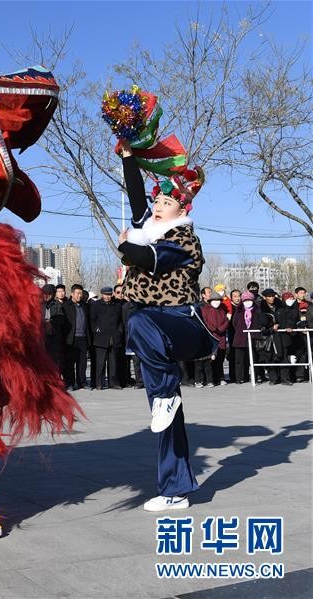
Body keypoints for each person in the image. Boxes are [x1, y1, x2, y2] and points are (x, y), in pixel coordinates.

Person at [117, 140, 216, 512]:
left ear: (181, 210)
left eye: (166, 203)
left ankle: (166, 394)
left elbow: (144, 256)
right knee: (165, 417)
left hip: (182, 325)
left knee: (140, 318)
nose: (157, 207)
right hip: (150, 336)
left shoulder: (184, 239)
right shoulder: (150, 224)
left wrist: (126, 246)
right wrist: (129, 156)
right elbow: (135, 194)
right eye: (157, 202)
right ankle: (175, 490)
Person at [89, 286, 123, 389]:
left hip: (114, 336)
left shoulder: (116, 305)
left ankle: (113, 382)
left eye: (109, 294)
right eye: (105, 294)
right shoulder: (96, 305)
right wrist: (96, 329)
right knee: (100, 362)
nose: (107, 297)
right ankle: (99, 383)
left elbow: (120, 320)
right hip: (101, 337)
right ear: (102, 294)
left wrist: (119, 331)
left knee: (113, 362)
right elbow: (92, 319)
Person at [230, 291, 267, 384]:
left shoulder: (257, 310)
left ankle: (255, 376)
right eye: (245, 300)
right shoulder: (239, 311)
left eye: (249, 300)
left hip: (254, 338)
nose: (247, 302)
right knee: (239, 360)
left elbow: (262, 322)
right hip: (240, 338)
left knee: (254, 358)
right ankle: (239, 378)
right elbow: (234, 323)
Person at [196, 291, 229, 386]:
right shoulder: (204, 309)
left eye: (218, 300)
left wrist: (221, 329)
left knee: (220, 359)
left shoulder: (222, 310)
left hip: (221, 337)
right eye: (214, 300)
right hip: (210, 337)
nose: (216, 302)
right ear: (210, 301)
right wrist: (214, 329)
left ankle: (220, 378)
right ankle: (209, 379)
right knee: (209, 360)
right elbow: (204, 322)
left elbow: (226, 321)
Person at [63, 284, 90, 390]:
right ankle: (70, 383)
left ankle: (82, 382)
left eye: (81, 293)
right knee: (70, 363)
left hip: (83, 337)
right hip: (71, 339)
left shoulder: (85, 306)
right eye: (78, 293)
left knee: (82, 363)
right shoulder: (66, 306)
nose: (80, 295)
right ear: (72, 294)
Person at [275, 291, 300, 385]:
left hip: (295, 337)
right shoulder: (280, 309)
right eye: (288, 298)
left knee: (294, 357)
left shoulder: (295, 308)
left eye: (292, 298)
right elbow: (280, 321)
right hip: (283, 337)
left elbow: (296, 320)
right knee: (284, 357)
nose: (291, 300)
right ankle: (284, 378)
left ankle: (293, 376)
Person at [293, 287, 309, 382]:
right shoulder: (292, 305)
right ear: (296, 294)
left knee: (306, 353)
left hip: (307, 333)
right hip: (296, 334)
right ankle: (296, 374)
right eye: (300, 292)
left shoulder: (309, 305)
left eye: (304, 292)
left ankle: (303, 374)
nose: (302, 294)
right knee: (298, 354)